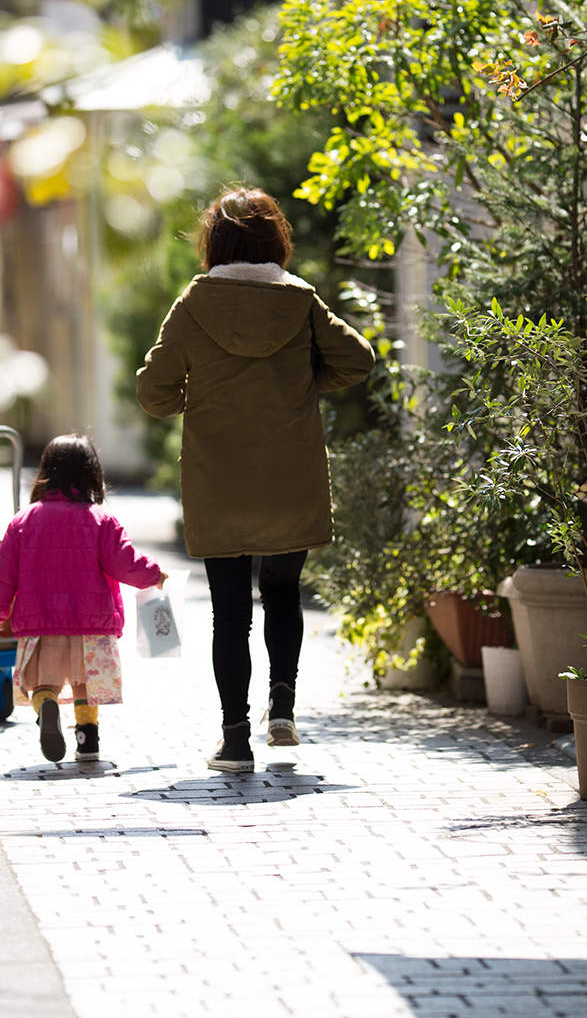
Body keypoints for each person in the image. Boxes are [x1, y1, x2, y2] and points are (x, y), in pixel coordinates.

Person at [136, 186, 375, 773]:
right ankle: (284, 710)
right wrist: (299, 386)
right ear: (276, 242)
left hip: (219, 480)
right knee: (284, 593)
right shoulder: (300, 301)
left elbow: (153, 392)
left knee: (229, 612)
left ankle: (235, 738)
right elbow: (358, 359)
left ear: (214, 243)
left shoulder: (194, 303)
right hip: (288, 476)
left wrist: (200, 397)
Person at [0, 434, 166, 764]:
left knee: (42, 683)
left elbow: (4, 573)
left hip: (40, 623)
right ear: (90, 475)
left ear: (45, 473)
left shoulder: (23, 521)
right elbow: (123, 562)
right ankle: (87, 741)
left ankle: (46, 706)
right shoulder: (100, 520)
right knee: (85, 684)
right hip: (90, 623)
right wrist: (154, 575)